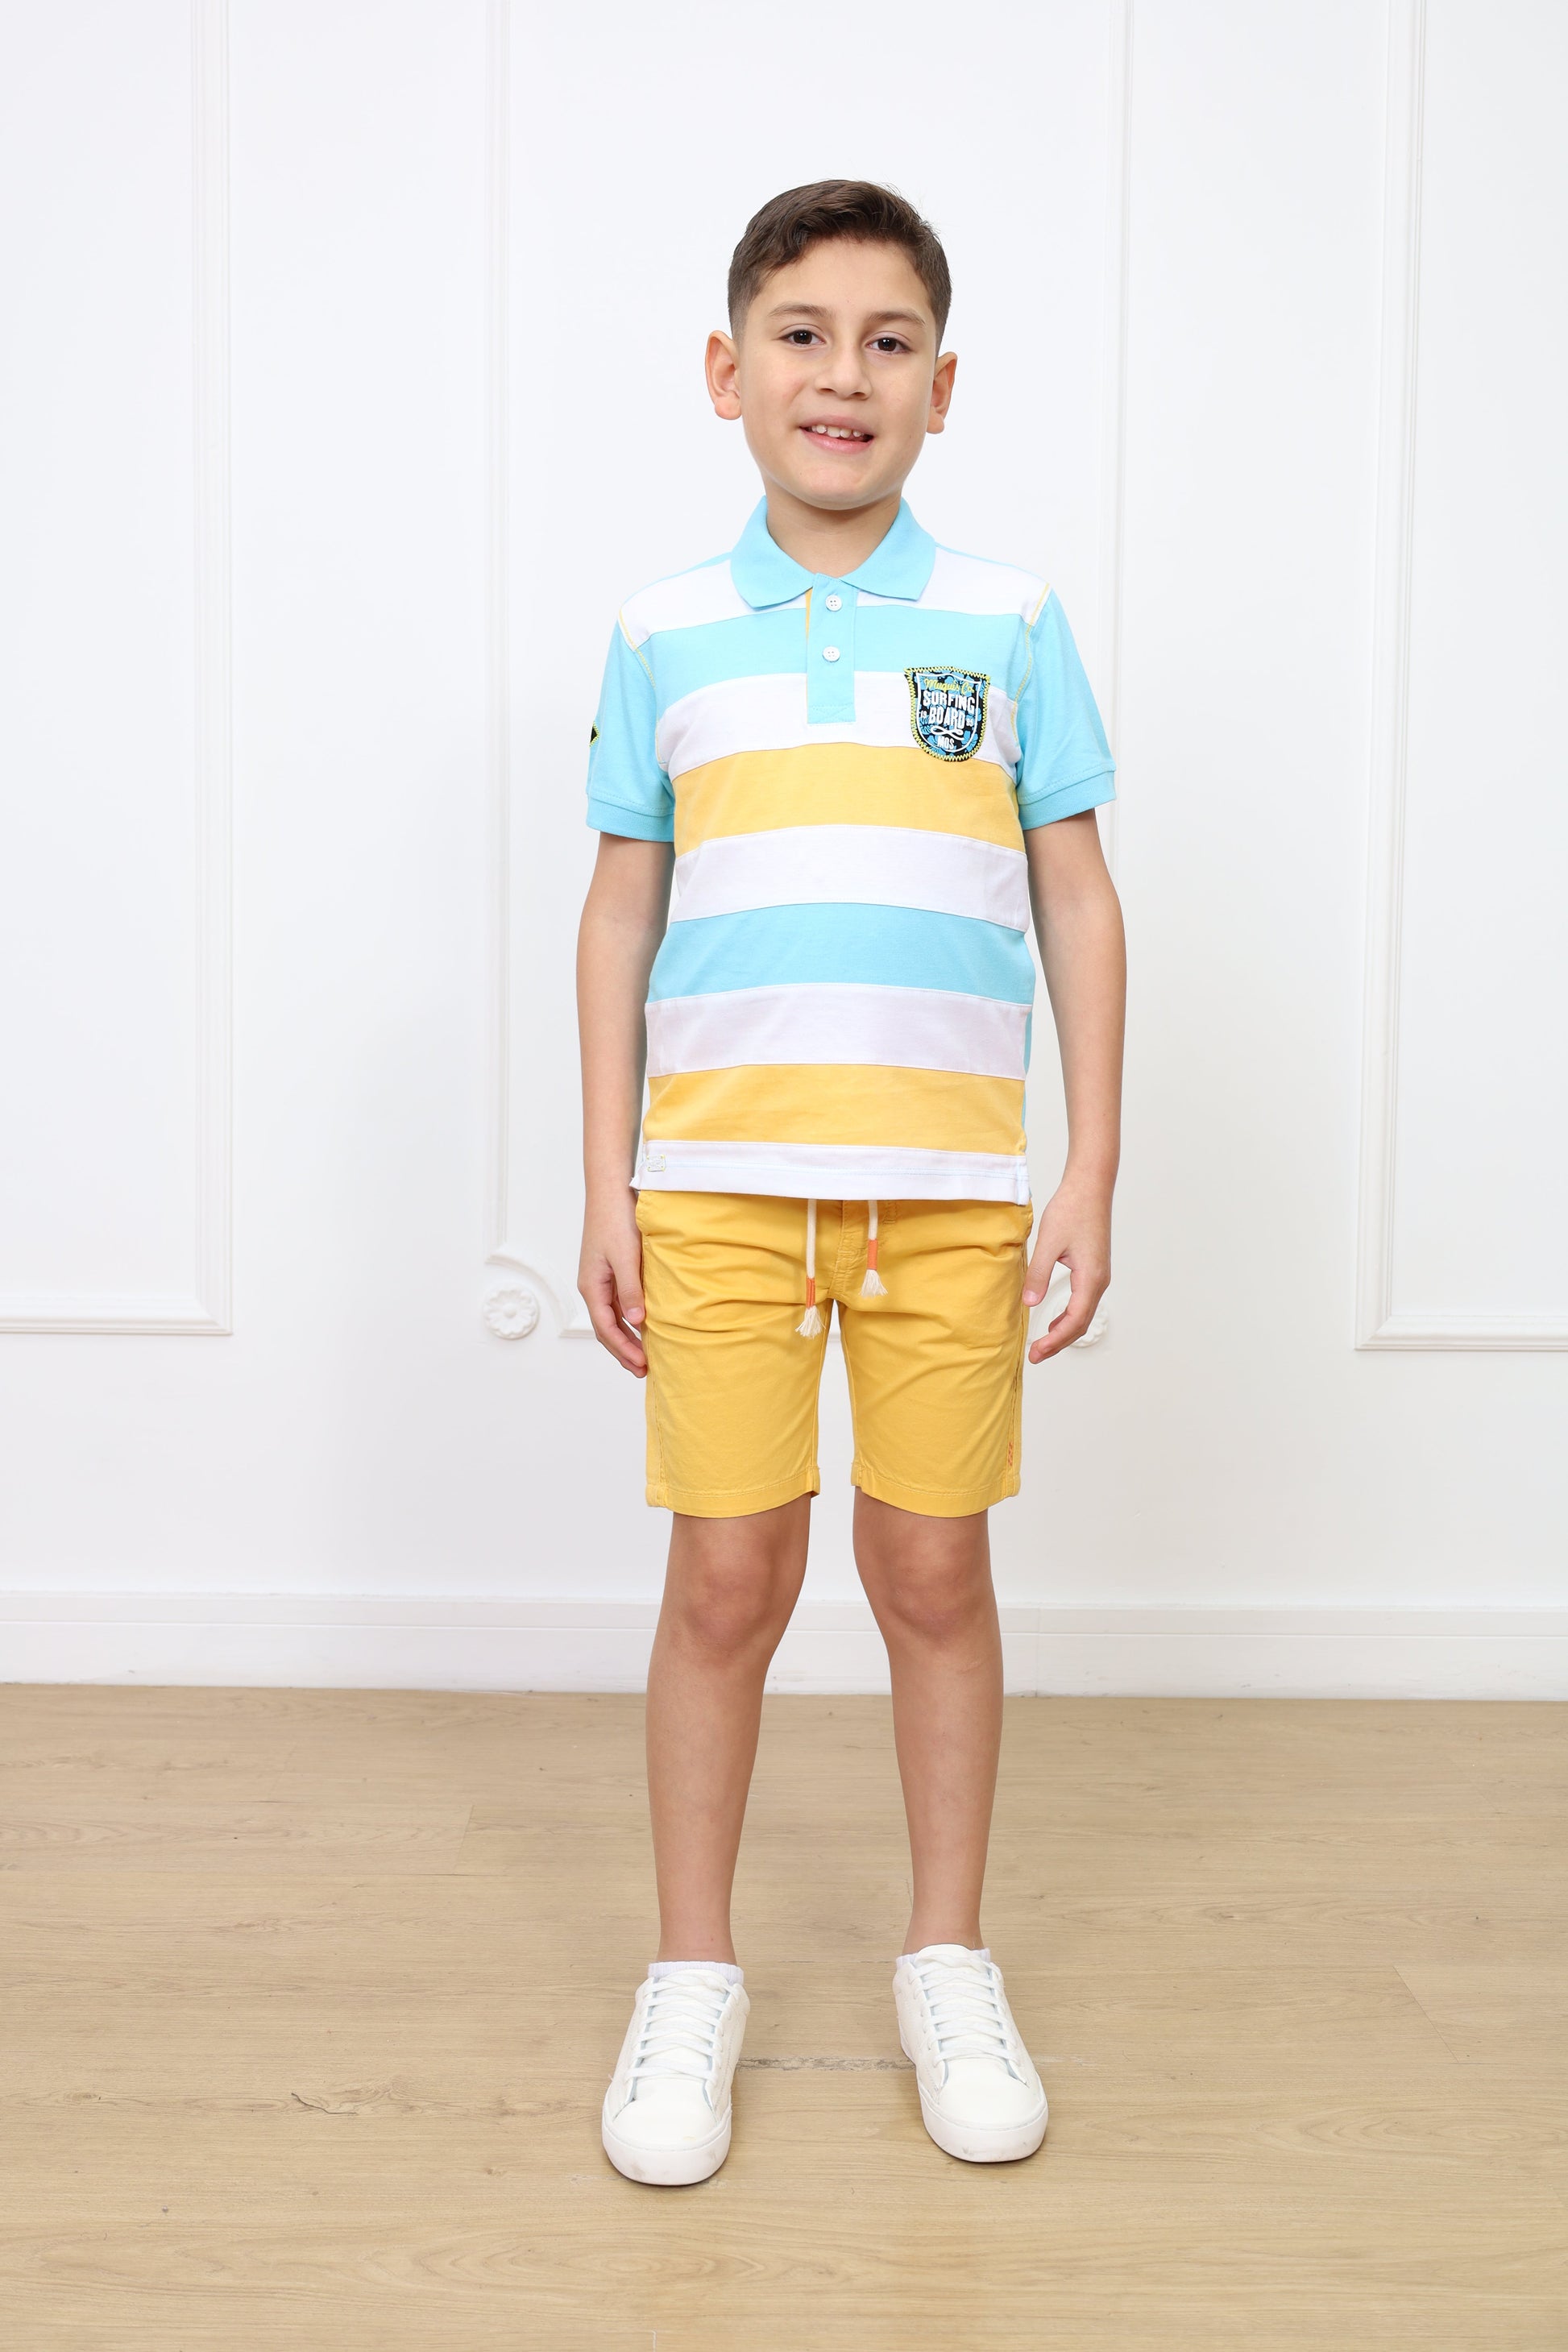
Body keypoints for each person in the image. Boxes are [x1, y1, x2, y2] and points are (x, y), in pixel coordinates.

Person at [575, 180, 1126, 2185]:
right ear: (726, 371)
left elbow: (1077, 893)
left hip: (948, 1191)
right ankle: (691, 1973)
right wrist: (608, 1178)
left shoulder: (1009, 622)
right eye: (801, 334)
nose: (843, 373)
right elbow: (620, 907)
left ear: (941, 385)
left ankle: (945, 1954)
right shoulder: (663, 631)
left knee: (932, 1572)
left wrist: (1088, 1163)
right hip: (718, 1185)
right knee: (725, 1577)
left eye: (888, 340)